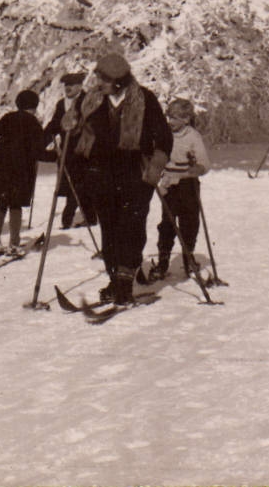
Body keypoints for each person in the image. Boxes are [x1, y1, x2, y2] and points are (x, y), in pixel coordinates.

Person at [77, 52, 171, 305]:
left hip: (134, 173)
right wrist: (67, 123)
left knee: (130, 227)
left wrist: (156, 166)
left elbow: (163, 137)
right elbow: (75, 125)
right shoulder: (91, 100)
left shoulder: (145, 100)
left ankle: (125, 283)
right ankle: (114, 279)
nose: (99, 83)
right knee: (109, 228)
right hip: (102, 173)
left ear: (118, 80)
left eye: (104, 79)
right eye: (98, 77)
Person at [147, 97, 209, 282]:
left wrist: (194, 168)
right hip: (168, 184)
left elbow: (204, 164)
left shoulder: (193, 136)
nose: (170, 122)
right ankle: (163, 262)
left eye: (175, 118)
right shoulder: (164, 133)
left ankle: (188, 259)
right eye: (169, 117)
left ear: (186, 119)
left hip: (187, 184)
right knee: (167, 223)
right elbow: (156, 155)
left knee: (189, 222)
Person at [0, 90, 46, 256]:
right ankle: (14, 243)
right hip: (21, 171)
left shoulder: (8, 118)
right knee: (15, 205)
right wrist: (57, 155)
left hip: (1, 169)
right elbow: (38, 151)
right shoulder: (33, 123)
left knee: (1, 202)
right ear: (34, 106)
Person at [43, 72, 96, 229]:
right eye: (66, 85)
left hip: (83, 149)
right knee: (70, 182)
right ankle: (90, 216)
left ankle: (69, 217)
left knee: (79, 182)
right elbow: (54, 123)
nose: (68, 88)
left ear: (80, 86)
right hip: (66, 151)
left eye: (71, 85)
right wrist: (42, 139)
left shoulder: (87, 102)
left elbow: (92, 125)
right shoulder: (62, 104)